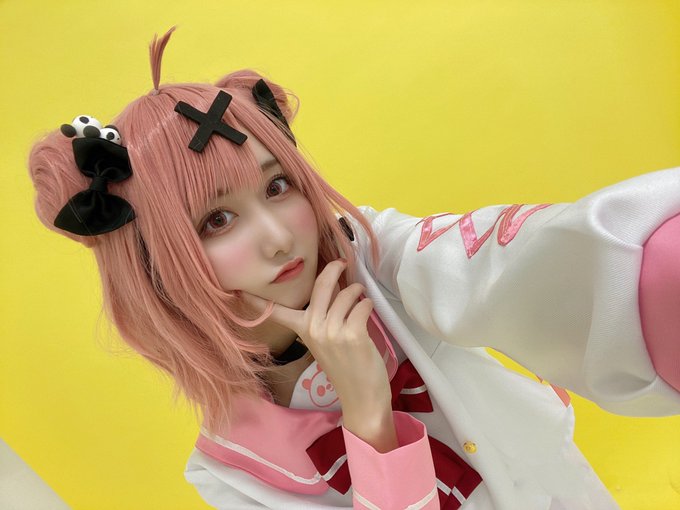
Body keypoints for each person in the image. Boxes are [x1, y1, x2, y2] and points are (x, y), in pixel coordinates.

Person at [27, 28, 680, 510]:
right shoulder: (233, 471)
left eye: (278, 186)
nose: (279, 237)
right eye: (217, 220)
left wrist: (648, 266)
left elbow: (503, 264)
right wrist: (368, 413)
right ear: (155, 263)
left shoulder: (376, 257)